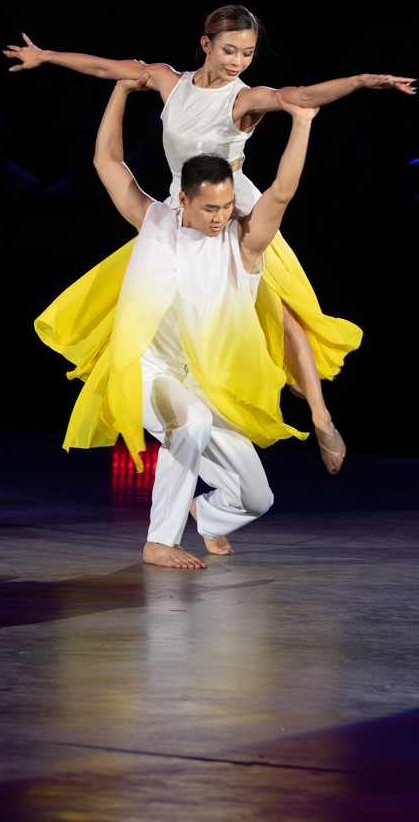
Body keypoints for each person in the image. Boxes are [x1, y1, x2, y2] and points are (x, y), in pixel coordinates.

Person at [9, 5, 415, 473]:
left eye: (247, 53)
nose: (238, 61)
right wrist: (46, 56)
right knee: (163, 306)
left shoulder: (244, 100)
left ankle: (321, 418)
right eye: (229, 50)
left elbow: (302, 96)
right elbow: (107, 69)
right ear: (206, 44)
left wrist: (361, 81)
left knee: (282, 313)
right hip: (183, 207)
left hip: (235, 209)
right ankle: (178, 409)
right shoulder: (169, 82)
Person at [65, 74, 320, 568]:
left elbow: (282, 192)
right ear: (183, 199)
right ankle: (160, 540)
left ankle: (208, 513)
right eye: (209, 208)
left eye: (227, 206)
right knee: (192, 421)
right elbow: (107, 162)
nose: (221, 216)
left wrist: (302, 124)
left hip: (203, 384)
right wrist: (120, 90)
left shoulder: (243, 246)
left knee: (256, 497)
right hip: (147, 373)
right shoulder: (155, 222)